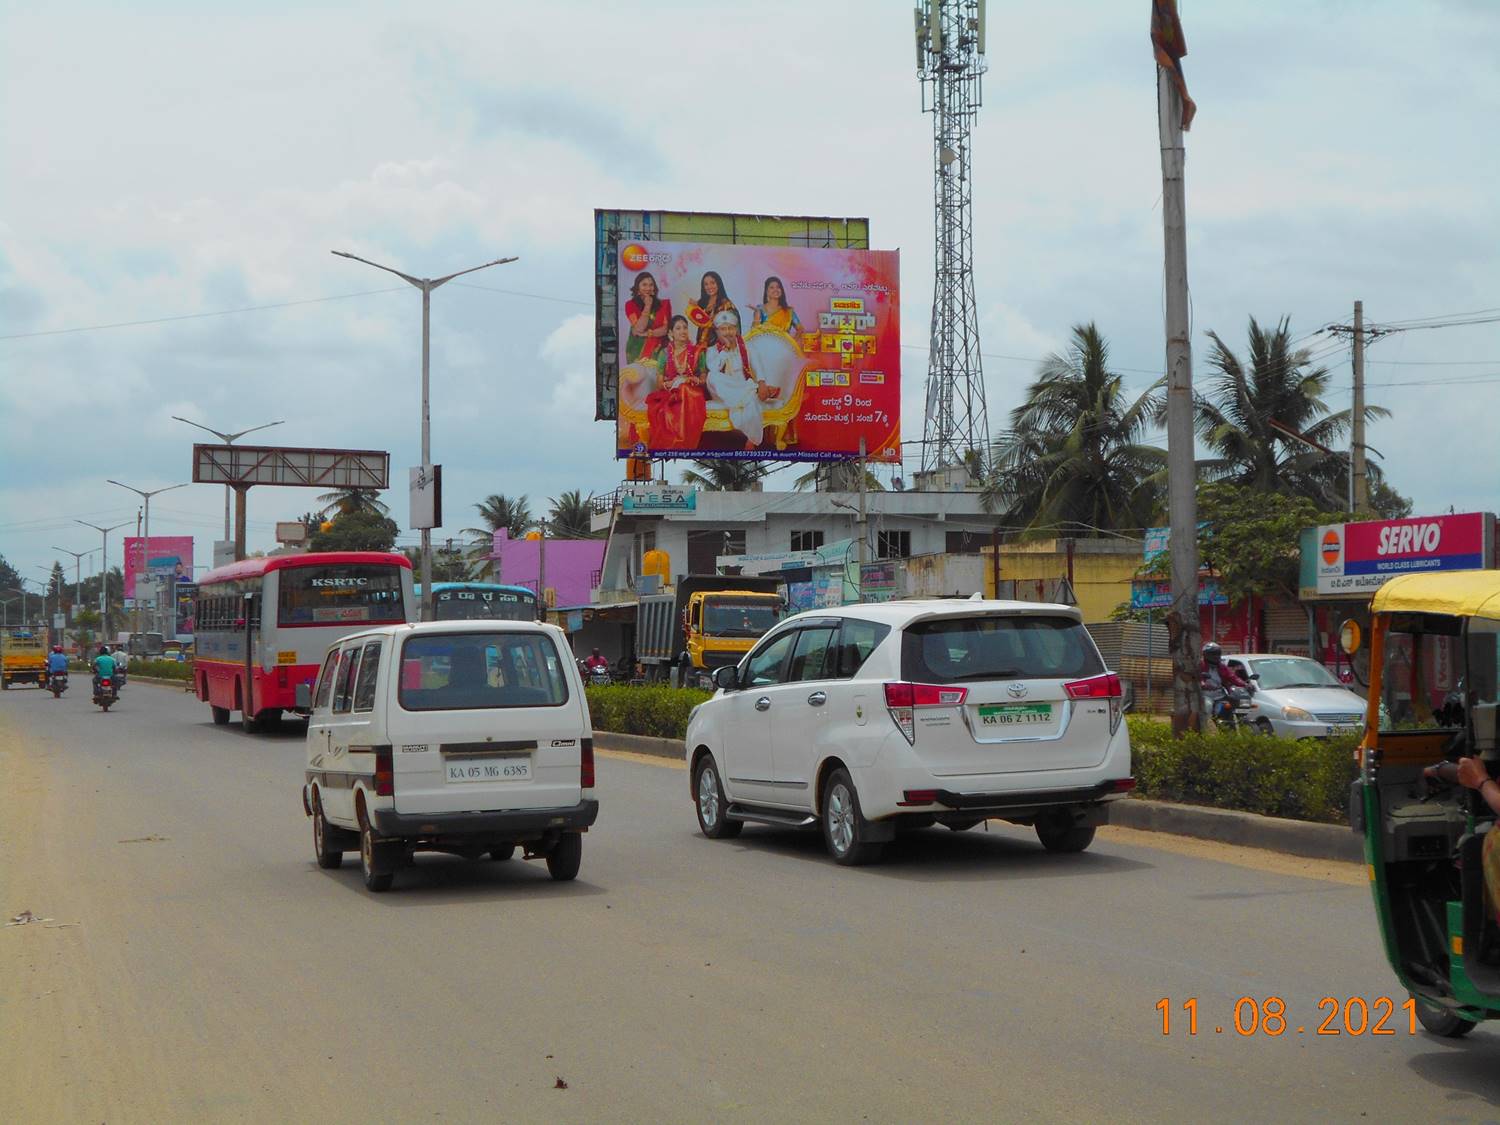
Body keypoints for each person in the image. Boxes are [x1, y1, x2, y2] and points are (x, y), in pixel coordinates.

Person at [703, 309, 779, 451]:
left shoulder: (746, 347)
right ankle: (752, 390)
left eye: (730, 328)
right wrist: (725, 350)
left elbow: (758, 366)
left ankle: (752, 439)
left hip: (742, 386)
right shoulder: (712, 350)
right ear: (717, 331)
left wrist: (762, 383)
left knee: (751, 400)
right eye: (723, 329)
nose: (727, 332)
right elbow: (714, 367)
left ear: (736, 330)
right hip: (722, 390)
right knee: (712, 376)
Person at [645, 314, 707, 451]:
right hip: (670, 393)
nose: (683, 331)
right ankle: (675, 443)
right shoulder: (664, 354)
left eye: (685, 327)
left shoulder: (697, 352)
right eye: (678, 328)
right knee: (669, 400)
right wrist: (668, 384)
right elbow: (659, 383)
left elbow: (703, 379)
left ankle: (683, 443)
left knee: (684, 388)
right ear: (671, 333)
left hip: (692, 392)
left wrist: (693, 379)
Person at [623, 272, 670, 364]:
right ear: (638, 288)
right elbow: (639, 328)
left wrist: (646, 334)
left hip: (659, 349)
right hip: (637, 349)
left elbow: (665, 329)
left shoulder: (663, 305)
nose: (648, 288)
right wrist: (647, 306)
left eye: (651, 285)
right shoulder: (630, 305)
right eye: (644, 285)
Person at [687, 271, 736, 349]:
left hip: (720, 347)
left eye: (712, 283)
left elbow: (730, 328)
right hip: (702, 345)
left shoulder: (726, 304)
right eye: (706, 284)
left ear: (718, 284)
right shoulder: (704, 302)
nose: (709, 287)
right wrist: (695, 307)